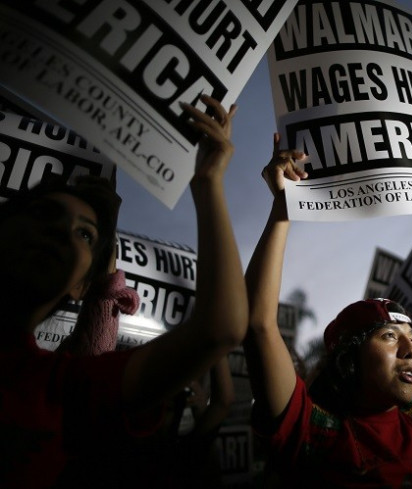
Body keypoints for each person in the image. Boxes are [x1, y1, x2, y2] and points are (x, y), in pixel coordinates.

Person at [0, 95, 247, 488]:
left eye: (85, 233)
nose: (61, 232)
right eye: (45, 213)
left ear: (83, 286)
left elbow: (221, 330)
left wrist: (208, 180)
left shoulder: (65, 390)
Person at [243, 134, 412, 488]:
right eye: (390, 336)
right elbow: (258, 324)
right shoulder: (314, 433)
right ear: (350, 358)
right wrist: (283, 207)